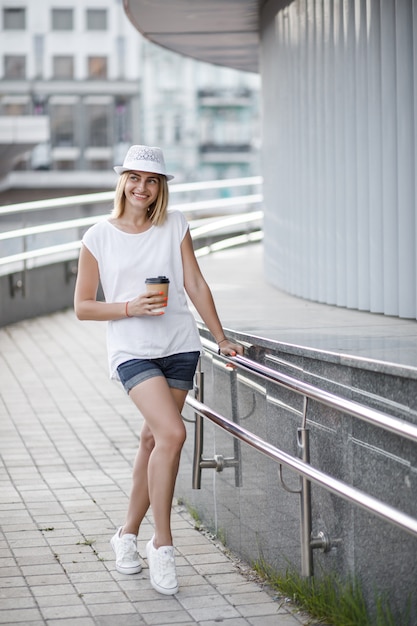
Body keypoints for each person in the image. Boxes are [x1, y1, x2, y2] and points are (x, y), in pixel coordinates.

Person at [73, 145, 243, 596]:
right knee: (172, 435)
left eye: (151, 180)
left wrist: (220, 336)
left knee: (153, 439)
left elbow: (195, 282)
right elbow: (82, 307)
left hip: (179, 346)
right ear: (123, 181)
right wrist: (129, 306)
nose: (142, 188)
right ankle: (162, 544)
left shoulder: (175, 224)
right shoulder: (98, 236)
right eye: (134, 178)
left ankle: (126, 534)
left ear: (160, 187)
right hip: (132, 350)